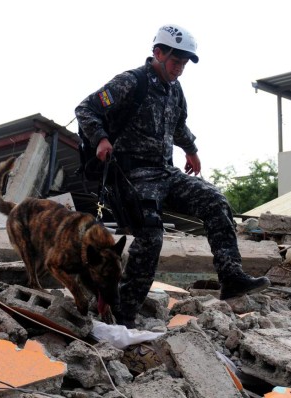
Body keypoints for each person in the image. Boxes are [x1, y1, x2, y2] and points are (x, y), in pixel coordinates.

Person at [75, 24, 270, 328]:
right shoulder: (131, 82)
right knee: (151, 236)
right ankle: (123, 317)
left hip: (166, 171)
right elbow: (86, 108)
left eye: (183, 64)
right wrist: (101, 138)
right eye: (175, 61)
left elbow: (178, 126)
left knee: (214, 200)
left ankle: (231, 276)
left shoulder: (175, 90)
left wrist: (191, 149)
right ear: (158, 53)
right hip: (132, 174)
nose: (179, 69)